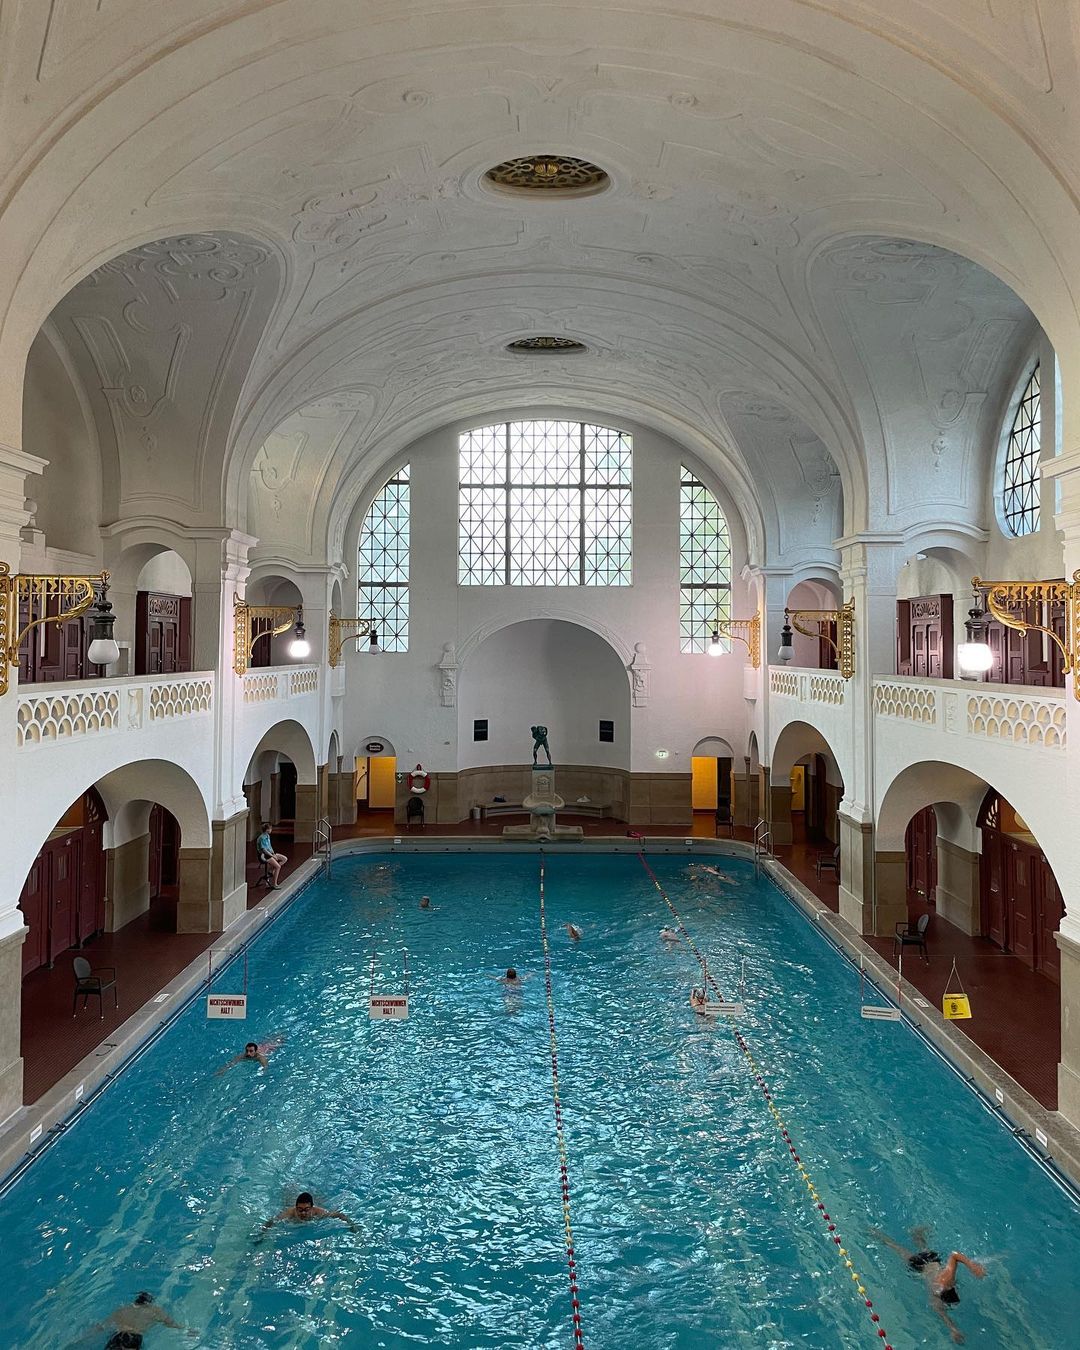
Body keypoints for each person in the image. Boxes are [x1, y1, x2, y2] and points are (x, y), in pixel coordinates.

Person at [871, 1227, 985, 1343]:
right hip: (919, 1268)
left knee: (922, 1250)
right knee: (899, 1249)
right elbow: (942, 1314)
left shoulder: (947, 1280)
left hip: (930, 1261)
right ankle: (878, 1235)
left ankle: (914, 1235)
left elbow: (954, 1255)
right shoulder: (935, 1296)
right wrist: (953, 1329)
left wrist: (972, 1266)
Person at [92, 1292, 195, 1342]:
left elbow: (102, 1326)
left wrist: (86, 1336)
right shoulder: (154, 1310)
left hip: (117, 1337)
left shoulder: (123, 1309)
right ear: (149, 1303)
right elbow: (170, 1323)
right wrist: (186, 1329)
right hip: (133, 1340)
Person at [262, 1191, 356, 1230]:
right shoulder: (290, 1212)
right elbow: (272, 1221)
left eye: (306, 1210)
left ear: (312, 1208)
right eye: (300, 1210)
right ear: (296, 1208)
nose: (303, 1213)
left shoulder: (319, 1212)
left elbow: (340, 1215)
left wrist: (352, 1226)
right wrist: (262, 1234)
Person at [216, 1038, 282, 1075]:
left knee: (277, 1041)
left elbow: (265, 1066)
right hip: (261, 1046)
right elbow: (232, 1063)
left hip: (269, 1047)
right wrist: (223, 1070)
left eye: (251, 1051)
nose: (248, 1053)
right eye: (247, 1051)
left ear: (256, 1051)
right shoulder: (243, 1056)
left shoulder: (260, 1057)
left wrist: (264, 1072)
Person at [255, 822, 287, 888]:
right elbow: (264, 850)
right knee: (278, 867)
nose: (271, 830)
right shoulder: (262, 838)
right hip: (264, 856)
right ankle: (275, 884)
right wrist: (272, 856)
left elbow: (269, 846)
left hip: (270, 854)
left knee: (284, 859)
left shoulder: (267, 836)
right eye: (270, 829)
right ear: (267, 830)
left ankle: (271, 870)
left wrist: (273, 854)